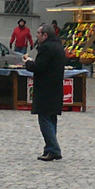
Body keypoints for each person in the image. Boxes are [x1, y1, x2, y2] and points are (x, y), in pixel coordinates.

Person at [26, 23, 65, 160]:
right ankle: (49, 148)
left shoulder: (46, 47)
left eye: (38, 33)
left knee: (44, 119)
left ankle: (54, 149)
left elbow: (39, 67)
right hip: (55, 88)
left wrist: (28, 63)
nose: (36, 35)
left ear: (45, 35)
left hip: (45, 89)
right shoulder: (59, 46)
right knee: (51, 118)